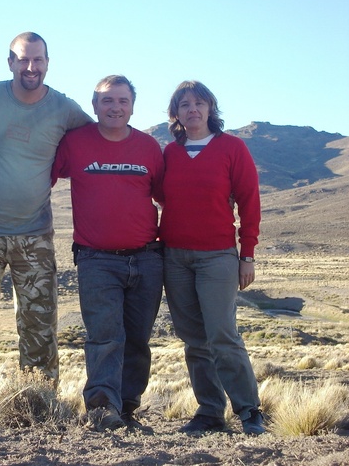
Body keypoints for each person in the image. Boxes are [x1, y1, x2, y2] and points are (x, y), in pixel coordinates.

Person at [0, 32, 92, 382]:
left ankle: (38, 401)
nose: (31, 67)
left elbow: (97, 140)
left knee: (39, 323)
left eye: (38, 60)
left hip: (34, 234)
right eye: (24, 59)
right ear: (11, 61)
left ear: (47, 63)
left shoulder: (64, 108)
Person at [51, 75, 164, 432]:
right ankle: (102, 407)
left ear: (132, 105)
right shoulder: (74, 143)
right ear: (94, 105)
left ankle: (127, 406)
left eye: (122, 101)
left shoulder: (149, 147)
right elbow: (40, 174)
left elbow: (166, 197)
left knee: (137, 338)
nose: (115, 107)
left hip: (146, 258)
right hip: (96, 258)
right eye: (107, 101)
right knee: (104, 336)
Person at [159, 80, 265, 435]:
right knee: (193, 338)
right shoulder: (169, 154)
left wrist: (246, 254)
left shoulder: (231, 148)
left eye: (200, 103)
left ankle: (249, 410)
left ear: (210, 109)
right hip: (174, 256)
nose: (193, 109)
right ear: (176, 113)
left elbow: (250, 201)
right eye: (185, 104)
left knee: (222, 333)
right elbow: (160, 196)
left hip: (217, 256)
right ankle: (209, 412)